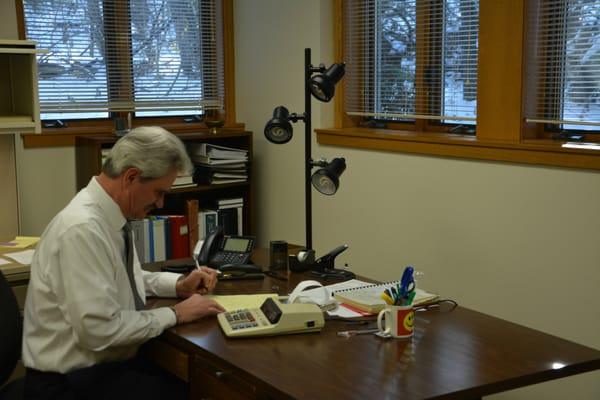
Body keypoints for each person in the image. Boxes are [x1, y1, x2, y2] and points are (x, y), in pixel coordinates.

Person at [22, 126, 225, 400]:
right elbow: (100, 331)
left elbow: (119, 277)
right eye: (158, 192)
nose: (161, 203)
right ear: (131, 177)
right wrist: (176, 314)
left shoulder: (106, 217)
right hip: (69, 384)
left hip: (99, 370)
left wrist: (177, 284)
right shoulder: (81, 229)